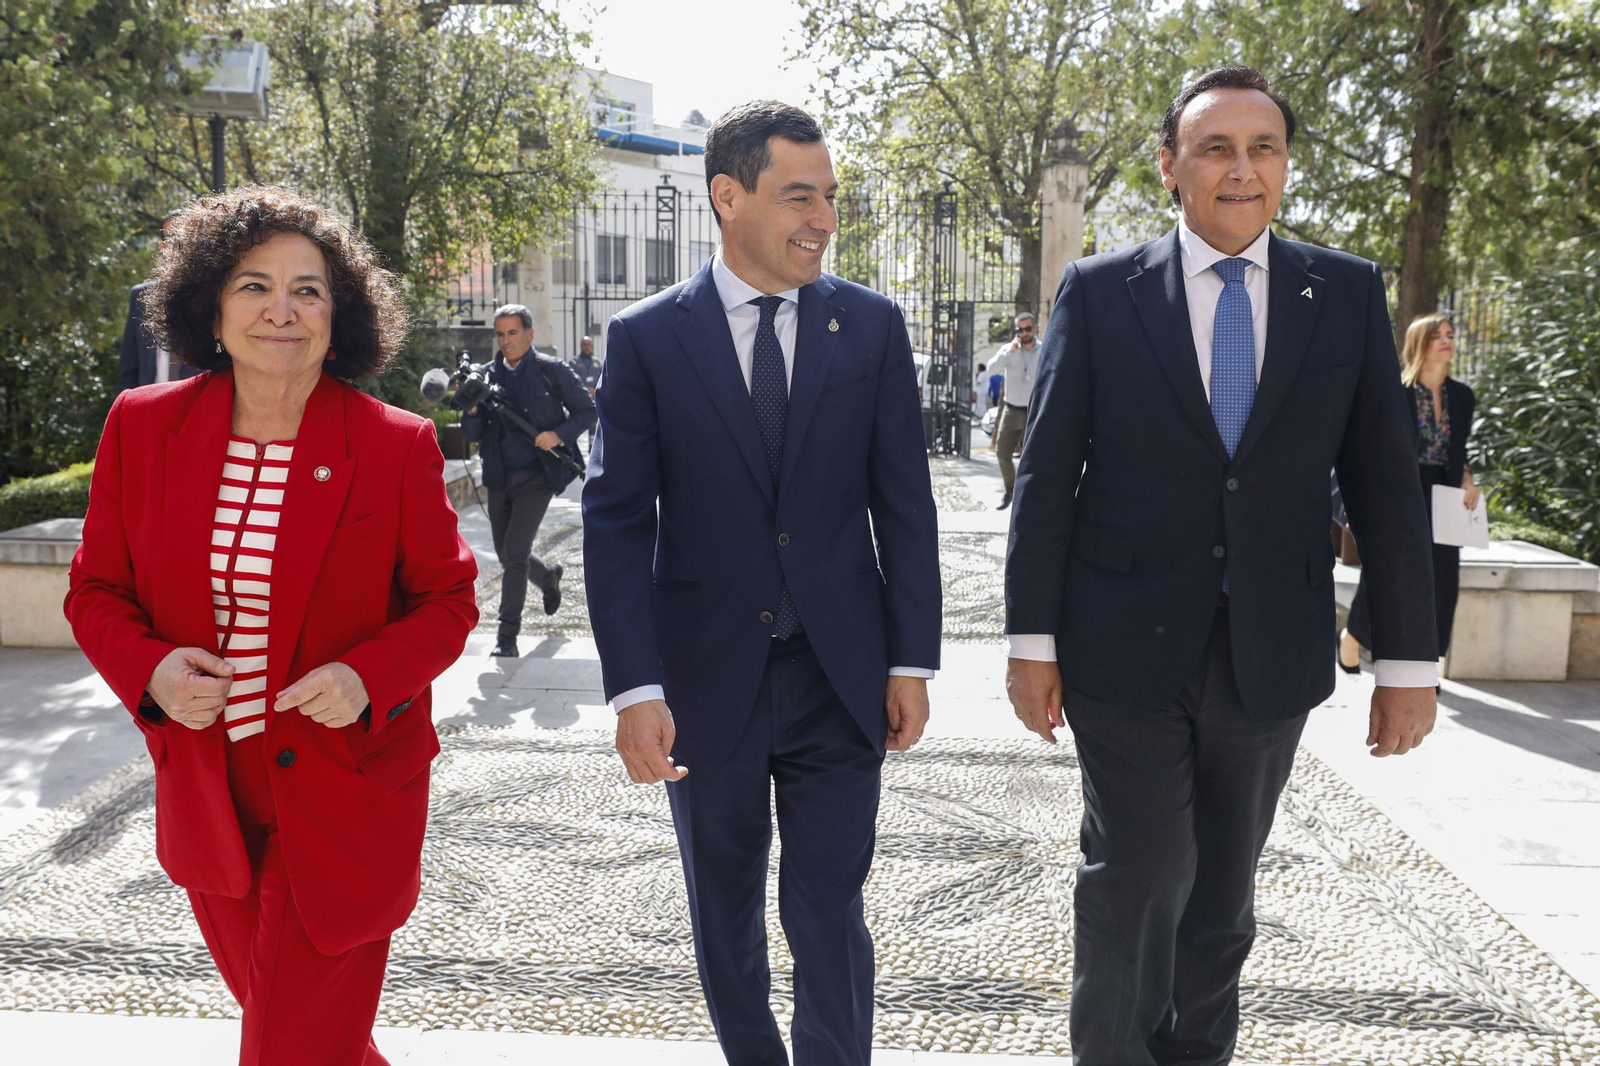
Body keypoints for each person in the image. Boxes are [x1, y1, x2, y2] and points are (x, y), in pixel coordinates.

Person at [1004, 67, 1439, 1066]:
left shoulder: (1344, 292)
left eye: (1261, 148)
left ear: (1283, 166)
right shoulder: (1101, 293)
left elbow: (1383, 483)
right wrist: (1031, 643)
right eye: (1214, 147)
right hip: (1121, 645)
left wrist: (1406, 663)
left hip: (1270, 652)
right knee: (1140, 870)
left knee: (1222, 894)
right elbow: (1048, 475)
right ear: (1170, 166)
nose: (1240, 168)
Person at [64, 186, 479, 1066]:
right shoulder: (143, 429)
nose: (281, 311)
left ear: (341, 314)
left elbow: (448, 603)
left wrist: (368, 676)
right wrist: (153, 672)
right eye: (254, 286)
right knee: (314, 1041)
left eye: (309, 289)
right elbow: (96, 589)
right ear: (211, 306)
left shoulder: (395, 443)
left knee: (288, 1049)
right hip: (210, 798)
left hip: (347, 798)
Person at [582, 100, 941, 1066]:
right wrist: (636, 687)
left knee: (828, 907)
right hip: (706, 683)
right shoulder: (649, 338)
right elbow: (616, 523)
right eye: (799, 196)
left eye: (829, 196)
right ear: (727, 198)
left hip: (841, 675)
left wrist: (911, 660)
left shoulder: (868, 326)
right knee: (725, 910)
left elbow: (904, 505)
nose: (823, 217)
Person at [1341, 313, 1478, 674]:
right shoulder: (1396, 391)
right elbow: (1370, 448)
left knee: (1444, 580)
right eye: (1438, 336)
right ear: (1420, 343)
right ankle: (1353, 636)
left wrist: (1467, 481)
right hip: (1400, 489)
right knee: (1387, 570)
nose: (1448, 341)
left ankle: (1429, 666)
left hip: (1445, 495)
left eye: (1450, 334)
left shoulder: (1462, 397)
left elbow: (1458, 451)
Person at [461, 304, 596, 658]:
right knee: (510, 554)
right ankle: (549, 577)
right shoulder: (487, 375)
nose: (506, 341)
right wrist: (472, 407)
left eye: (513, 332)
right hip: (498, 477)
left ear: (530, 333)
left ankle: (506, 638)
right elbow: (471, 433)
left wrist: (557, 434)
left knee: (514, 555)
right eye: (501, 334)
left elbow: (587, 410)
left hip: (538, 475)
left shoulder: (553, 371)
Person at [118, 210, 201, 392]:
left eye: (186, 234)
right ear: (163, 246)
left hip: (197, 405)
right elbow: (129, 368)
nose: (180, 243)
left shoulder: (213, 294)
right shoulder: (141, 296)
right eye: (173, 237)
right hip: (152, 406)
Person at [989, 311, 1040, 508]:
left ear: (1035, 328)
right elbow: (991, 369)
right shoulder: (1008, 351)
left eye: (1028, 328)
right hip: (1011, 410)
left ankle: (1027, 494)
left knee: (1033, 456)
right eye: (1020, 329)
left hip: (1033, 410)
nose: (1024, 333)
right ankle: (1010, 490)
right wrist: (1009, 351)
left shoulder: (1043, 350)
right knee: (1002, 452)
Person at [570, 335, 603, 449]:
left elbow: (603, 379)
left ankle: (592, 446)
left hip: (594, 398)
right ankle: (573, 445)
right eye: (584, 344)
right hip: (579, 399)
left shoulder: (598, 363)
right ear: (581, 346)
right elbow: (571, 380)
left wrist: (595, 389)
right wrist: (584, 389)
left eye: (589, 344)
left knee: (594, 422)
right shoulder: (574, 362)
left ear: (592, 346)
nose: (587, 347)